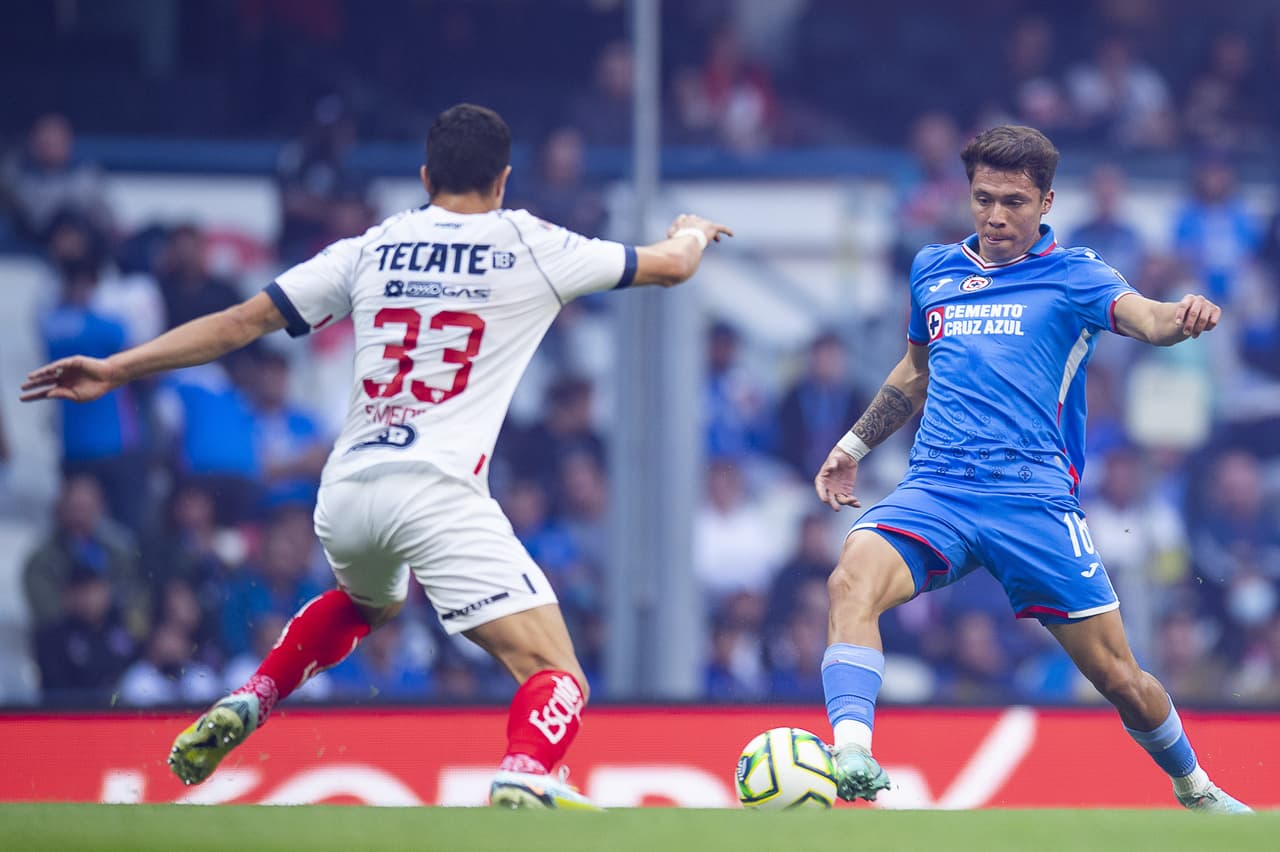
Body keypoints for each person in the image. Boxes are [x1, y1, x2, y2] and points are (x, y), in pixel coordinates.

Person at [21, 103, 732, 810]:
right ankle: (526, 770)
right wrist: (691, 232)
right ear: (504, 181)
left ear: (425, 176)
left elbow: (242, 322)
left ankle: (254, 695)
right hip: (435, 491)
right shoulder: (529, 241)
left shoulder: (373, 246)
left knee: (370, 602)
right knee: (556, 672)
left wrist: (117, 368)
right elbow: (670, 269)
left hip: (348, 486)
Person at [811, 125, 1250, 813]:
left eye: (1014, 201)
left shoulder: (1076, 275)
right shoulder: (932, 269)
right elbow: (914, 372)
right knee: (850, 580)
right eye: (983, 198)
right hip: (938, 489)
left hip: (1033, 502)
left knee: (1118, 677)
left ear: (1046, 201)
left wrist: (1184, 315)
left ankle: (1194, 787)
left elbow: (1148, 319)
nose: (995, 216)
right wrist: (853, 446)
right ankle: (853, 751)